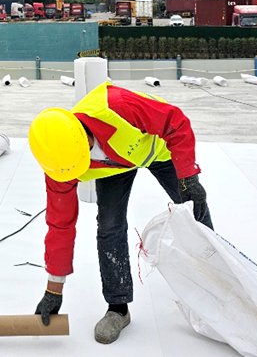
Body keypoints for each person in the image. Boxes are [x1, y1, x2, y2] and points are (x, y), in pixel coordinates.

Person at [28, 81, 214, 344]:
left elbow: (175, 122)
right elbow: (61, 226)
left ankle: (219, 276)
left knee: (194, 207)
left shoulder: (116, 106)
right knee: (109, 226)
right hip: (114, 167)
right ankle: (118, 308)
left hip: (159, 148)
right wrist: (53, 289)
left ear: (82, 136)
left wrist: (188, 177)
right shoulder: (61, 164)